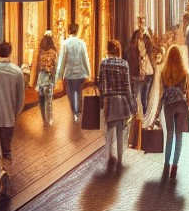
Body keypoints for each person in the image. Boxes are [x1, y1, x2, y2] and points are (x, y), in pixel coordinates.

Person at [0, 41, 25, 198]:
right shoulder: (17, 72)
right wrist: (14, 114)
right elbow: (20, 100)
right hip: (9, 119)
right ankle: (6, 172)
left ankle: (1, 174)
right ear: (10, 53)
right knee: (7, 151)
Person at [98, 39, 136, 167]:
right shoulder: (124, 64)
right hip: (122, 101)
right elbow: (128, 86)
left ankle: (109, 156)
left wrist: (104, 96)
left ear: (108, 50)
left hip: (109, 100)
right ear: (118, 50)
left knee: (109, 130)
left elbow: (101, 85)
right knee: (121, 130)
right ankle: (120, 159)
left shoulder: (104, 63)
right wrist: (131, 104)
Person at [159, 45, 189, 179]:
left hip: (168, 106)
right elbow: (188, 92)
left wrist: (157, 112)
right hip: (181, 106)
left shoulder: (163, 73)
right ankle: (174, 167)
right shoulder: (184, 73)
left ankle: (166, 165)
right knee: (179, 138)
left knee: (169, 136)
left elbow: (161, 92)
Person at [56, 21, 90, 122]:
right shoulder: (82, 43)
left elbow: (62, 60)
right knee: (78, 92)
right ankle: (78, 111)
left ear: (69, 31)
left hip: (69, 74)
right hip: (80, 73)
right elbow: (85, 58)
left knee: (70, 93)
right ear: (77, 31)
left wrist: (59, 74)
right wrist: (88, 71)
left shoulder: (65, 44)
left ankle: (74, 111)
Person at [127, 19, 155, 114]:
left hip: (146, 71)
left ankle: (141, 114)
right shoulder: (134, 47)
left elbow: (150, 50)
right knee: (138, 95)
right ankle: (138, 115)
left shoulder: (145, 40)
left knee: (142, 95)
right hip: (139, 72)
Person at [33, 31, 57, 127]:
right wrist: (54, 80)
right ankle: (49, 119)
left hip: (40, 79)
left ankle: (44, 120)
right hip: (49, 79)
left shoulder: (40, 53)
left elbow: (36, 67)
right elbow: (55, 67)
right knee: (48, 100)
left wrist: (34, 82)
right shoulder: (53, 53)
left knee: (41, 100)